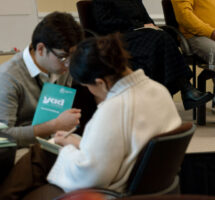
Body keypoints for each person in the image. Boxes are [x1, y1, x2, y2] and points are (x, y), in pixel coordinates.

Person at [0, 34, 182, 199]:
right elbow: (123, 145)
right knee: (45, 153)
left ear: (100, 83)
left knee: (39, 155)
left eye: (88, 86)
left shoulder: (114, 109)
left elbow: (89, 177)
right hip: (149, 185)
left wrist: (69, 150)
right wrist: (76, 143)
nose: (89, 91)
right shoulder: (158, 91)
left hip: (112, 190)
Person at [92, 0, 212, 110]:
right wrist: (138, 26)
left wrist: (150, 26)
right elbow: (104, 24)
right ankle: (184, 90)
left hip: (141, 38)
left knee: (163, 36)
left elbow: (146, 19)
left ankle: (172, 95)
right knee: (160, 39)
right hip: (118, 40)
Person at [0, 12, 83, 147]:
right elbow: (3, 137)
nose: (68, 64)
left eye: (73, 57)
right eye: (63, 57)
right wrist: (54, 125)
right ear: (41, 49)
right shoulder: (8, 77)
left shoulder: (61, 66)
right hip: (21, 150)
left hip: (55, 140)